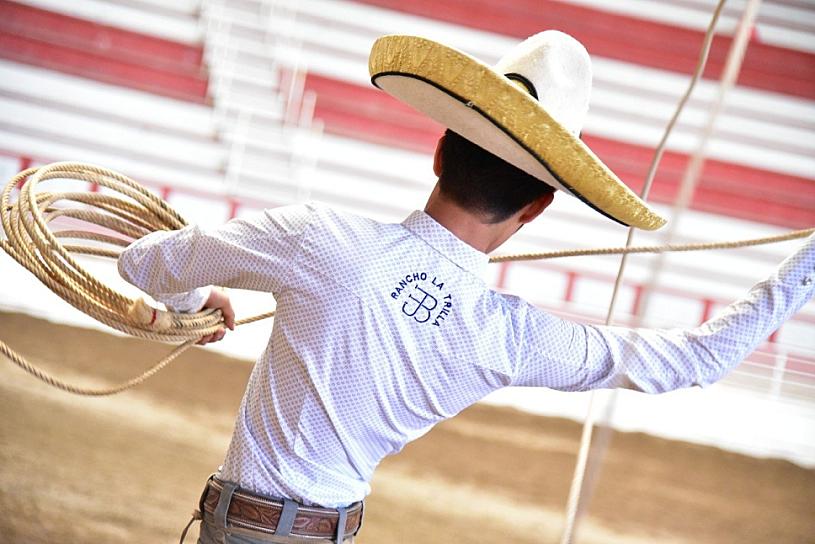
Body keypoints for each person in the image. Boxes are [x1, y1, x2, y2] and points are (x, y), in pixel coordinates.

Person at [117, 31, 815, 544]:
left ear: (438, 150)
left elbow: (147, 264)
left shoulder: (318, 239)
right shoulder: (508, 336)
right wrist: (804, 267)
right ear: (537, 206)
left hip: (246, 527)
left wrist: (189, 306)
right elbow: (700, 359)